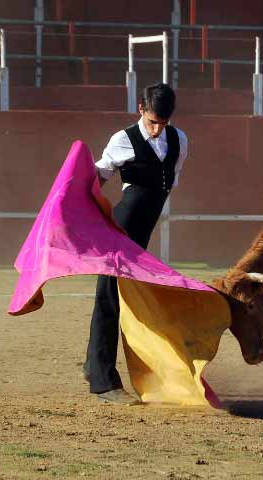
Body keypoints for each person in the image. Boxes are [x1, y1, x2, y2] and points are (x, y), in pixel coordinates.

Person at [82, 82, 188, 404]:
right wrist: (88, 213)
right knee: (110, 297)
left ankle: (92, 365)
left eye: (163, 123)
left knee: (122, 298)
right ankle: (104, 384)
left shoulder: (179, 140)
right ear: (140, 110)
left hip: (141, 233)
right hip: (122, 229)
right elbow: (98, 177)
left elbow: (168, 182)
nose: (157, 129)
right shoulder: (123, 140)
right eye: (152, 121)